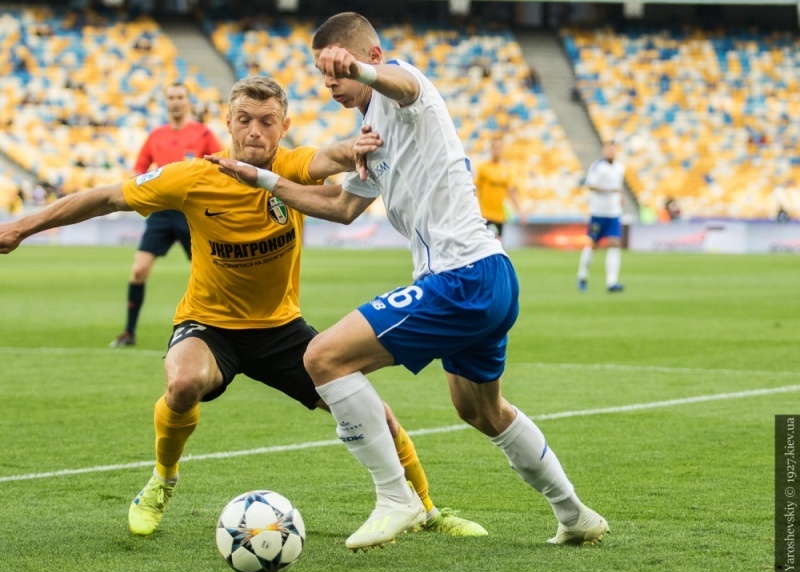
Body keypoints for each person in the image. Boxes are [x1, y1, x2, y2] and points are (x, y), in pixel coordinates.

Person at [0, 76, 486, 541]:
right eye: (245, 120)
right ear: (228, 123)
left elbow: (329, 156)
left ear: (284, 126)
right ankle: (162, 479)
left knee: (375, 413)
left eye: (268, 121)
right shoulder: (193, 178)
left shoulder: (290, 167)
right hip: (209, 325)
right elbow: (107, 197)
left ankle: (427, 509)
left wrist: (355, 148)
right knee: (182, 383)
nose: (256, 131)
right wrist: (21, 227)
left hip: (281, 329)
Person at [208, 12, 608, 552]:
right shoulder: (371, 135)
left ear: (370, 58)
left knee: (322, 357)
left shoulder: (404, 91)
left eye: (336, 71)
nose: (330, 84)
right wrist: (262, 178)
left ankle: (396, 497)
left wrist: (361, 71)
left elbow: (403, 83)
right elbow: (341, 207)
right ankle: (574, 513)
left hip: (462, 276)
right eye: (324, 75)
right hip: (485, 276)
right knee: (481, 410)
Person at [109, 82, 223, 348]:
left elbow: (220, 166)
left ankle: (223, 330)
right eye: (171, 97)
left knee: (212, 273)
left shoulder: (203, 133)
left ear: (188, 101)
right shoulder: (156, 135)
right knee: (138, 270)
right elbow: (138, 171)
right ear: (166, 101)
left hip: (191, 213)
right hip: (161, 213)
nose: (176, 101)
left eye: (180, 97)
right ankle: (129, 332)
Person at [576, 140, 625, 293]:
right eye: (608, 150)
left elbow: (618, 187)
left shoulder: (620, 167)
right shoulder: (598, 166)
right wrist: (609, 190)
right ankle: (582, 275)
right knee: (593, 244)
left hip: (614, 212)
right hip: (598, 212)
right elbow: (590, 185)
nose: (610, 152)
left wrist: (620, 196)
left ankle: (612, 282)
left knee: (615, 243)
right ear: (604, 151)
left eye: (613, 150)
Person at [474, 136, 527, 240]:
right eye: (494, 147)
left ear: (502, 149)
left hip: (499, 215)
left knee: (498, 243)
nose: (496, 150)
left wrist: (520, 210)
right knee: (487, 243)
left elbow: (511, 191)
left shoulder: (506, 170)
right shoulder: (482, 168)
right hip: (485, 215)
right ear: (491, 149)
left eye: (499, 147)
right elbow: (475, 188)